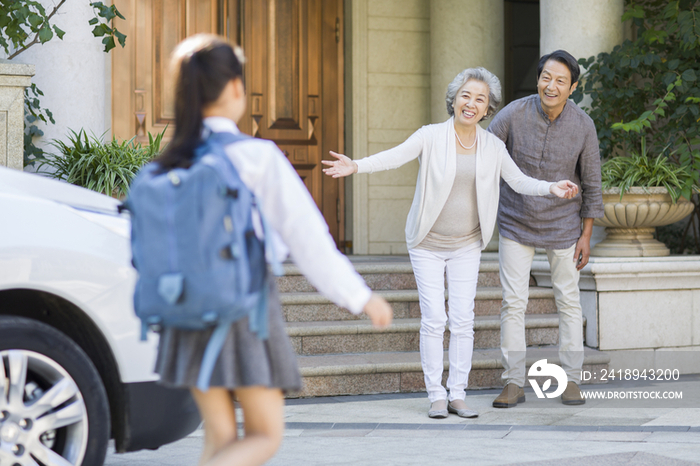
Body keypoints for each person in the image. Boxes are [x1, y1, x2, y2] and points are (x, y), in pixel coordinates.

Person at [150, 34, 393, 466]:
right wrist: (362, 297)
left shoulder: (167, 163)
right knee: (263, 436)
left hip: (182, 311)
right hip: (242, 311)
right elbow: (308, 240)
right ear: (236, 89)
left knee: (221, 440)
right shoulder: (258, 157)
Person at [322, 67, 578, 419]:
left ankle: (457, 394)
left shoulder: (492, 146)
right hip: (427, 242)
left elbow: (518, 181)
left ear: (488, 109)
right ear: (454, 100)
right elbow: (395, 156)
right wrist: (357, 166)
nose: (471, 104)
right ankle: (436, 396)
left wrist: (550, 187)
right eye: (466, 96)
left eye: (480, 99)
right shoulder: (430, 136)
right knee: (433, 319)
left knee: (462, 320)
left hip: (466, 244)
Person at [487, 50, 604, 408]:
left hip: (564, 228)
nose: (551, 86)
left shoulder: (583, 125)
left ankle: (570, 378)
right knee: (513, 303)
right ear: (537, 79)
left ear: (573, 87)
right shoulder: (512, 114)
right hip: (515, 221)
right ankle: (513, 382)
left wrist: (585, 235)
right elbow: (483, 153)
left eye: (560, 81)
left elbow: (592, 184)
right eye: (546, 78)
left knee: (568, 301)